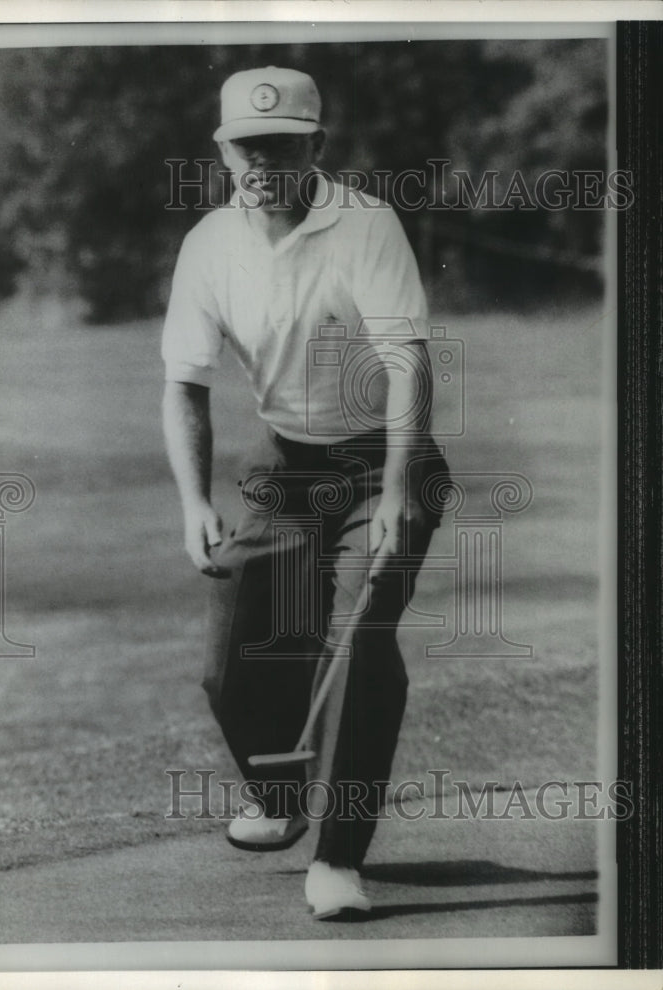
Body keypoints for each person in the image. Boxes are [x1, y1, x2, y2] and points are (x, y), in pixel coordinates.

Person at [162, 66, 449, 919]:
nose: (262, 163)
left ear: (315, 147)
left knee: (361, 644)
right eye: (247, 148)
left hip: (386, 463)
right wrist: (193, 500)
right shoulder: (211, 243)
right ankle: (279, 797)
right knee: (230, 670)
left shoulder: (365, 222)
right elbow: (185, 384)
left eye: (281, 146)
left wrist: (398, 488)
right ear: (223, 152)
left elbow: (408, 359)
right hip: (288, 471)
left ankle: (339, 860)